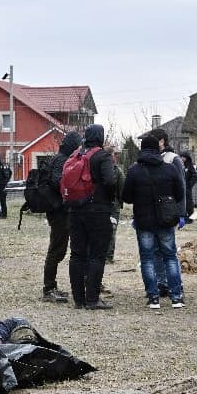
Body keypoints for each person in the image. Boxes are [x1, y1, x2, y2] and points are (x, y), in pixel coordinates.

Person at [123, 135, 187, 309]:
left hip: (144, 221)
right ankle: (177, 297)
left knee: (147, 259)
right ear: (159, 149)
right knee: (170, 257)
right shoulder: (170, 169)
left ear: (142, 149)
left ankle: (153, 297)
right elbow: (180, 194)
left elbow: (126, 197)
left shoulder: (134, 170)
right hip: (166, 220)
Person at [68, 124, 117, 310]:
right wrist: (109, 198)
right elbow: (111, 180)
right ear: (101, 137)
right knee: (97, 255)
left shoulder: (76, 155)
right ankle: (92, 299)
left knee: (77, 255)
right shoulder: (102, 156)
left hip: (75, 210)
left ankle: (78, 299)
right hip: (98, 210)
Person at [42, 131, 81, 303]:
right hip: (59, 211)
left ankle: (51, 286)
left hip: (60, 210)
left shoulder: (61, 158)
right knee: (56, 249)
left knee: (59, 249)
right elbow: (58, 182)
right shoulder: (61, 160)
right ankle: (49, 288)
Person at [147, 128, 187, 296]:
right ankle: (161, 282)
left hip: (167, 211)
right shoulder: (151, 159)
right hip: (152, 211)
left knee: (168, 251)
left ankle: (175, 285)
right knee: (155, 250)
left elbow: (181, 187)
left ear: (162, 141)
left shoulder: (173, 159)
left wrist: (181, 212)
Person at [104, 145, 124, 265]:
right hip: (103, 205)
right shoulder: (111, 170)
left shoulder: (118, 171)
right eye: (115, 154)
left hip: (113, 206)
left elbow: (122, 191)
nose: (116, 157)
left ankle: (108, 256)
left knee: (111, 231)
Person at [180, 151, 197, 221]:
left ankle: (191, 216)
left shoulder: (191, 165)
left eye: (183, 157)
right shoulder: (183, 165)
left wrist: (190, 184)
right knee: (184, 201)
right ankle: (185, 215)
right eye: (181, 157)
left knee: (188, 201)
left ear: (187, 157)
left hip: (187, 186)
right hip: (183, 186)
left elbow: (195, 175)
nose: (182, 158)